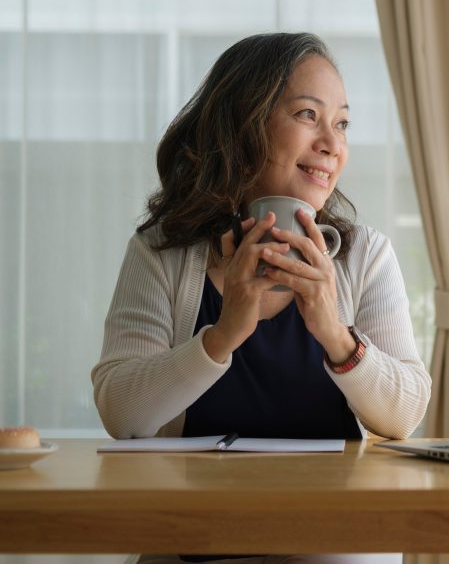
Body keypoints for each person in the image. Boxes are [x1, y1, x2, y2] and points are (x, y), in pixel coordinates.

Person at [91, 33, 431, 564]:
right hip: (192, 539)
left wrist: (334, 333)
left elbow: (405, 413)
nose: (331, 143)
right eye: (307, 115)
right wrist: (224, 335)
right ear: (244, 126)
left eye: (341, 123)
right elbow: (121, 412)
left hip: (335, 541)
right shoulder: (162, 253)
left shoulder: (366, 255)